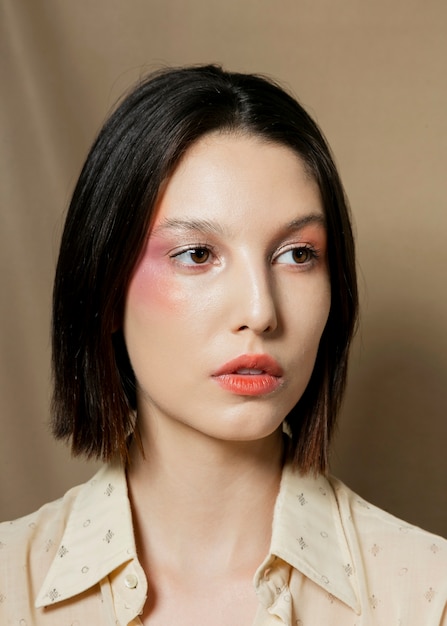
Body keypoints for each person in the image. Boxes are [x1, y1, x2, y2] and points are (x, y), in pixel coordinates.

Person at [0, 65, 445, 625]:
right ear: (107, 287)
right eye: (197, 255)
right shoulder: (10, 585)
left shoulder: (427, 594)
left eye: (297, 255)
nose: (260, 311)